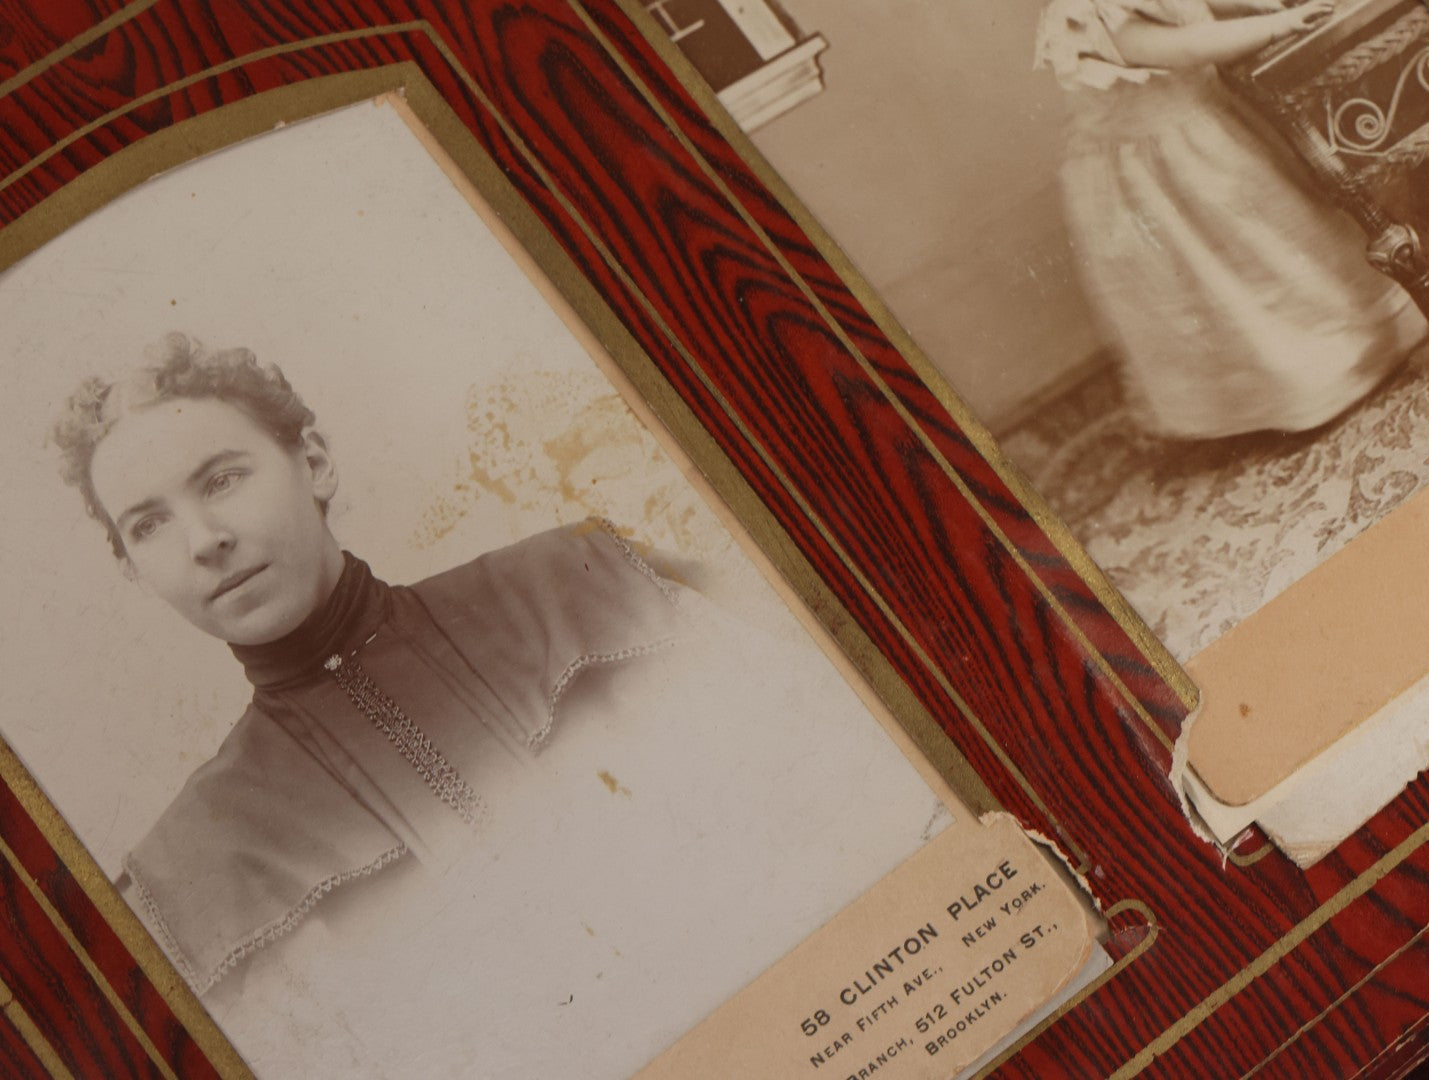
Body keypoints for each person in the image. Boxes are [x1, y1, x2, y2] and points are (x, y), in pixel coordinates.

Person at [52, 335, 944, 1077]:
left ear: (313, 464)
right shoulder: (183, 878)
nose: (204, 541)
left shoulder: (590, 585)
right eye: (148, 525)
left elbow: (887, 815)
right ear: (136, 573)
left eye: (220, 480)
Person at [1034, 0, 1429, 439]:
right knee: (1242, 270)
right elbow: (1186, 45)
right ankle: (1301, 384)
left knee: (1288, 243)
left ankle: (1348, 346)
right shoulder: (1085, 15)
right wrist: (1276, 24)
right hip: (1162, 168)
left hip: (1201, 128)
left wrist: (1259, 3)